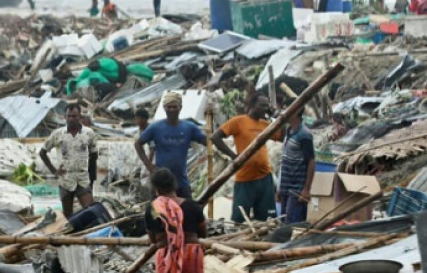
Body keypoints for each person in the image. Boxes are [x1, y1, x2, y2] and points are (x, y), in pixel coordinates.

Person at [211, 94, 283, 222]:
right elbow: (215, 137)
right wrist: (233, 156)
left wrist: (277, 118)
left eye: (267, 106)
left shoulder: (265, 124)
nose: (265, 109)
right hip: (245, 178)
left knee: (267, 219)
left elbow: (282, 137)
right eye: (262, 105)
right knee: (239, 218)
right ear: (252, 106)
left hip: (265, 178)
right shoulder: (238, 121)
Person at [145, 168, 206, 273]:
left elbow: (153, 239)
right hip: (191, 254)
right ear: (174, 186)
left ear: (156, 189)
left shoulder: (154, 208)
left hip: (166, 256)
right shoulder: (192, 206)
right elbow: (203, 233)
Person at [135, 92, 207, 198]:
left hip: (181, 182)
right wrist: (149, 166)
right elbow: (138, 144)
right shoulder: (156, 127)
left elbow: (207, 142)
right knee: (158, 213)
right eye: (169, 107)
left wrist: (211, 121)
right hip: (160, 183)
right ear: (164, 108)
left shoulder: (189, 127)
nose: (172, 110)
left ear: (180, 107)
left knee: (187, 211)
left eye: (174, 107)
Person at [39, 104, 98, 218]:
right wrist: (54, 171)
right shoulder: (57, 134)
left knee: (91, 211)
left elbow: (94, 154)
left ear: (79, 116)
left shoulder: (88, 133)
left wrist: (90, 175)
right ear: (65, 117)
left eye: (74, 116)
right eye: (69, 116)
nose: (71, 119)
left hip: (83, 178)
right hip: (65, 180)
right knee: (68, 216)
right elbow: (42, 152)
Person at [278, 109, 315, 224]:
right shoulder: (289, 131)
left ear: (295, 111)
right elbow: (284, 160)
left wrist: (306, 189)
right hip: (286, 187)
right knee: (283, 222)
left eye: (286, 109)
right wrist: (279, 189)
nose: (283, 112)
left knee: (293, 224)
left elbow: (311, 161)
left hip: (297, 189)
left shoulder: (304, 135)